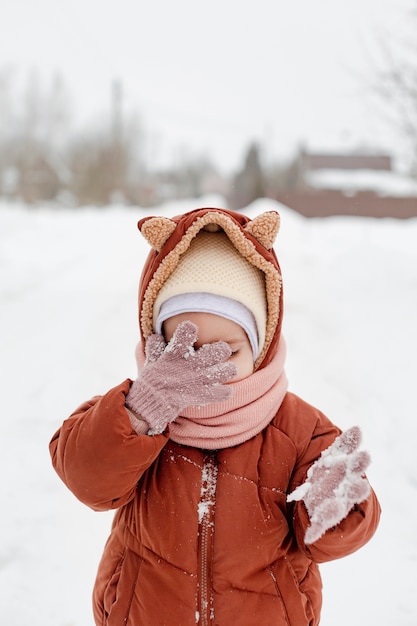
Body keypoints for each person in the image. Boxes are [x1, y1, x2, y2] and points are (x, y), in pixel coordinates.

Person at [50, 206, 381, 626]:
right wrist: (141, 411)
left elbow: (329, 541)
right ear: (155, 341)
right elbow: (86, 477)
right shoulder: (133, 415)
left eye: (226, 351)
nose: (205, 366)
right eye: (185, 349)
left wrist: (335, 505)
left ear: (260, 348)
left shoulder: (301, 431)